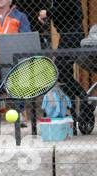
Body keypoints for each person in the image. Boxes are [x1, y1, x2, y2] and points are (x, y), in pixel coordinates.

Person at [38, 1, 86, 134]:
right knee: (64, 72)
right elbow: (62, 10)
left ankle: (83, 97)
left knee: (61, 71)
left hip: (72, 35)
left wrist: (47, 13)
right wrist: (48, 17)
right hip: (66, 35)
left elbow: (66, 5)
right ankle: (75, 111)